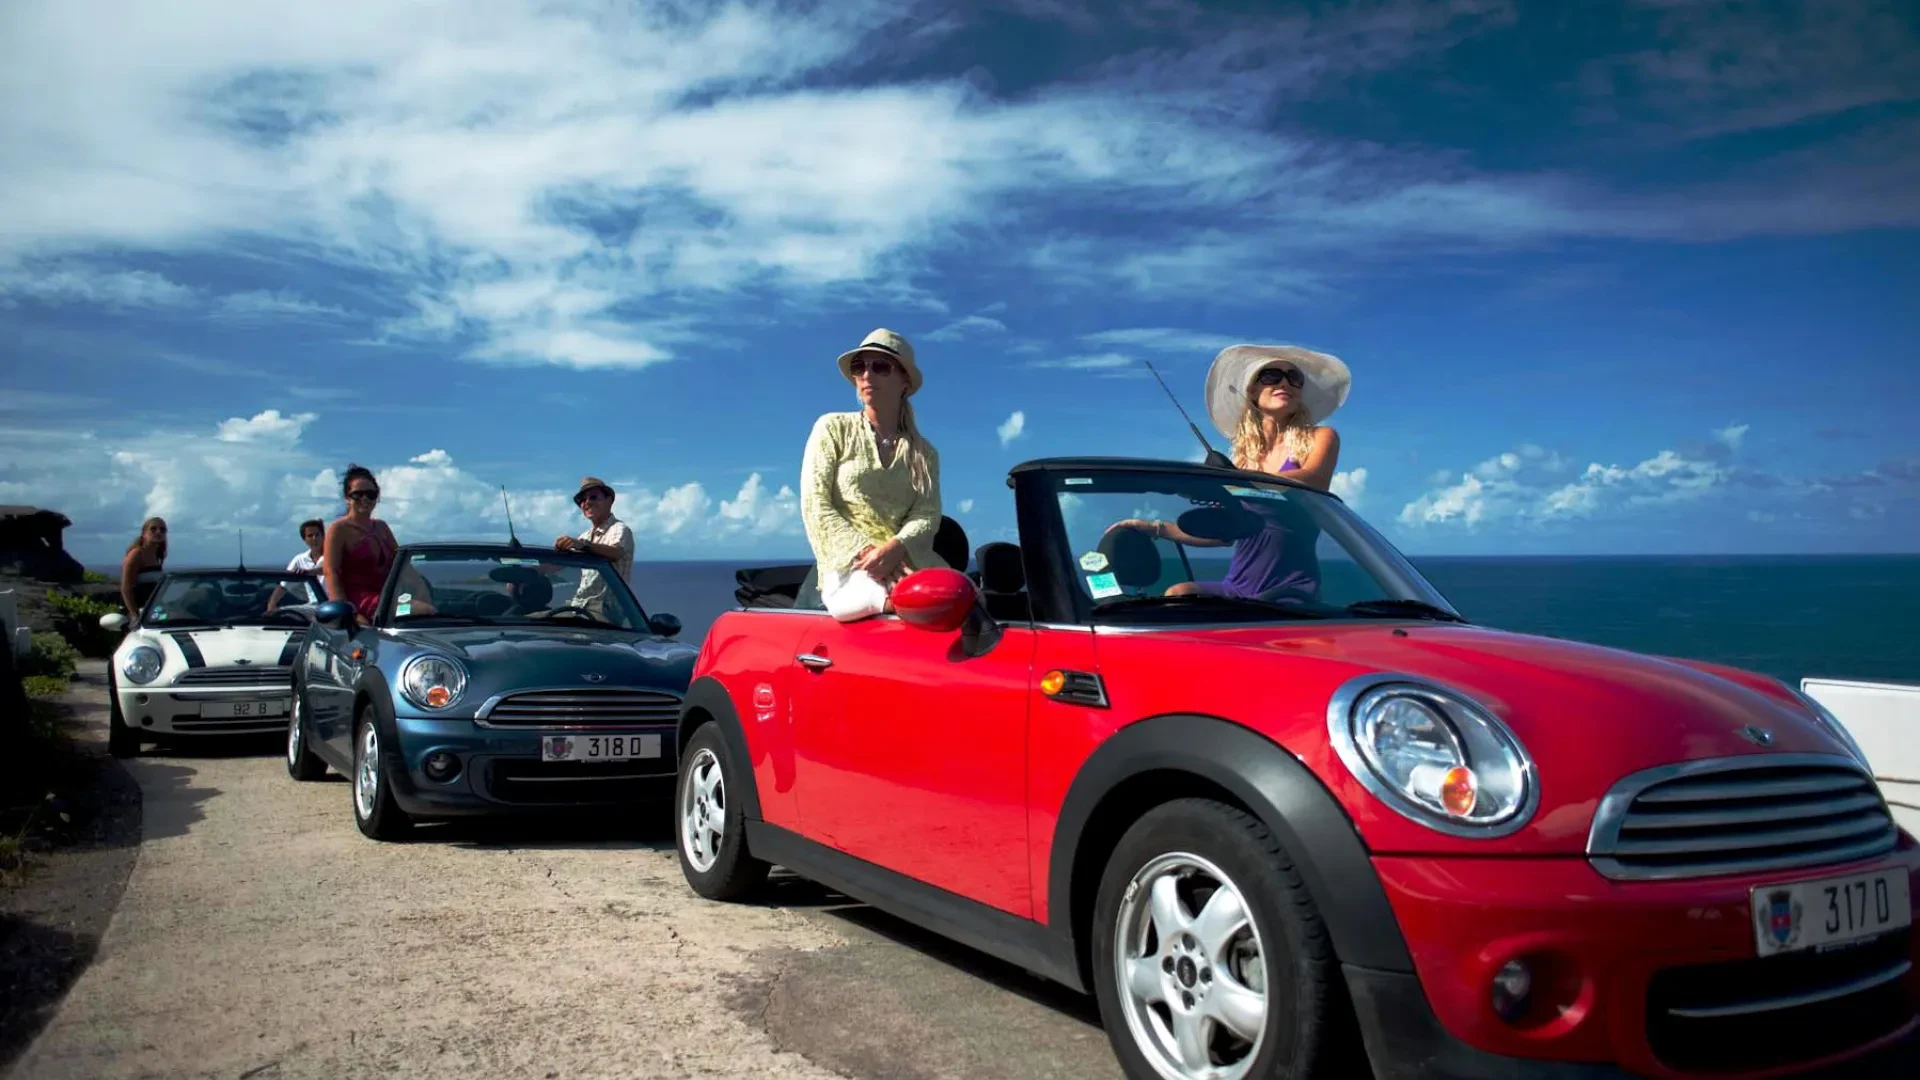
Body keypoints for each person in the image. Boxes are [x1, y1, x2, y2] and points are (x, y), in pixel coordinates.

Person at [1109, 344, 1350, 600]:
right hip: (1237, 585)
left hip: (1290, 589)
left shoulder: (1320, 437)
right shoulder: (1245, 460)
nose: (1284, 383)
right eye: (1271, 376)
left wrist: (1236, 484)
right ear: (1253, 390)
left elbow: (1314, 481)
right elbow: (1224, 534)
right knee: (1178, 594)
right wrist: (1153, 528)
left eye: (1294, 378)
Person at [800, 328, 944, 621]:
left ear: (904, 381)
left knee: (967, 599)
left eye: (880, 366)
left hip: (907, 561)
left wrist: (895, 548)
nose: (867, 375)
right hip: (849, 565)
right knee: (913, 607)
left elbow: (927, 513)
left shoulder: (925, 452)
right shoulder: (832, 428)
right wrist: (868, 553)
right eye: (859, 366)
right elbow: (815, 504)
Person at [322, 464, 399, 622]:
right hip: (360, 603)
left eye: (370, 494)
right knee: (420, 610)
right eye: (358, 494)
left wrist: (422, 593)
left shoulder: (382, 527)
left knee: (428, 611)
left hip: (388, 600)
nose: (365, 499)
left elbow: (401, 565)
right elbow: (331, 572)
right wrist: (346, 614)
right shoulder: (339, 529)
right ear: (347, 498)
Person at [558, 476, 634, 617]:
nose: (587, 502)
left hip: (603, 610)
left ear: (609, 500)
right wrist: (526, 569)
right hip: (579, 606)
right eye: (582, 500)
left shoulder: (619, 529)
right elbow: (557, 565)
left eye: (593, 497)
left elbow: (616, 552)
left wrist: (583, 545)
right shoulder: (585, 536)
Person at [120, 517, 167, 616]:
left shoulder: (156, 555)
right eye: (153, 529)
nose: (158, 532)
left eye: (162, 529)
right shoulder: (137, 554)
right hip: (139, 612)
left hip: (153, 611)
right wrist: (135, 615)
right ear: (144, 533)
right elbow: (126, 588)